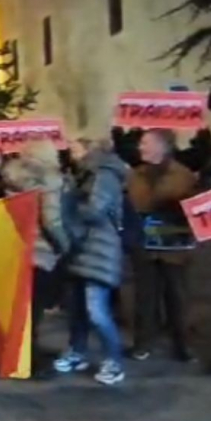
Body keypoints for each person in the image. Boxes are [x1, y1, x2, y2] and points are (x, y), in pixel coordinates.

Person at [53, 138, 129, 386]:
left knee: (96, 310)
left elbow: (95, 210)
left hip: (100, 249)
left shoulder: (104, 175)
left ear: (89, 151)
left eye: (75, 148)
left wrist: (67, 202)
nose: (70, 152)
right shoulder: (85, 174)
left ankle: (114, 361)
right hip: (84, 248)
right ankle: (77, 351)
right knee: (77, 309)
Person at [126, 130, 198, 362]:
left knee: (177, 297)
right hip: (144, 245)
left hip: (174, 246)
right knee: (145, 297)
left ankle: (182, 344)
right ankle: (143, 343)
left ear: (162, 147)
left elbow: (193, 205)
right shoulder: (134, 174)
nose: (140, 148)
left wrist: (174, 206)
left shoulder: (183, 174)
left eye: (145, 143)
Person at [3, 141, 71, 378]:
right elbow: (51, 220)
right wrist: (65, 245)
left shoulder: (13, 178)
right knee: (35, 309)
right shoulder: (49, 182)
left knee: (24, 308)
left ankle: (24, 353)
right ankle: (29, 362)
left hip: (17, 248)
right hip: (40, 251)